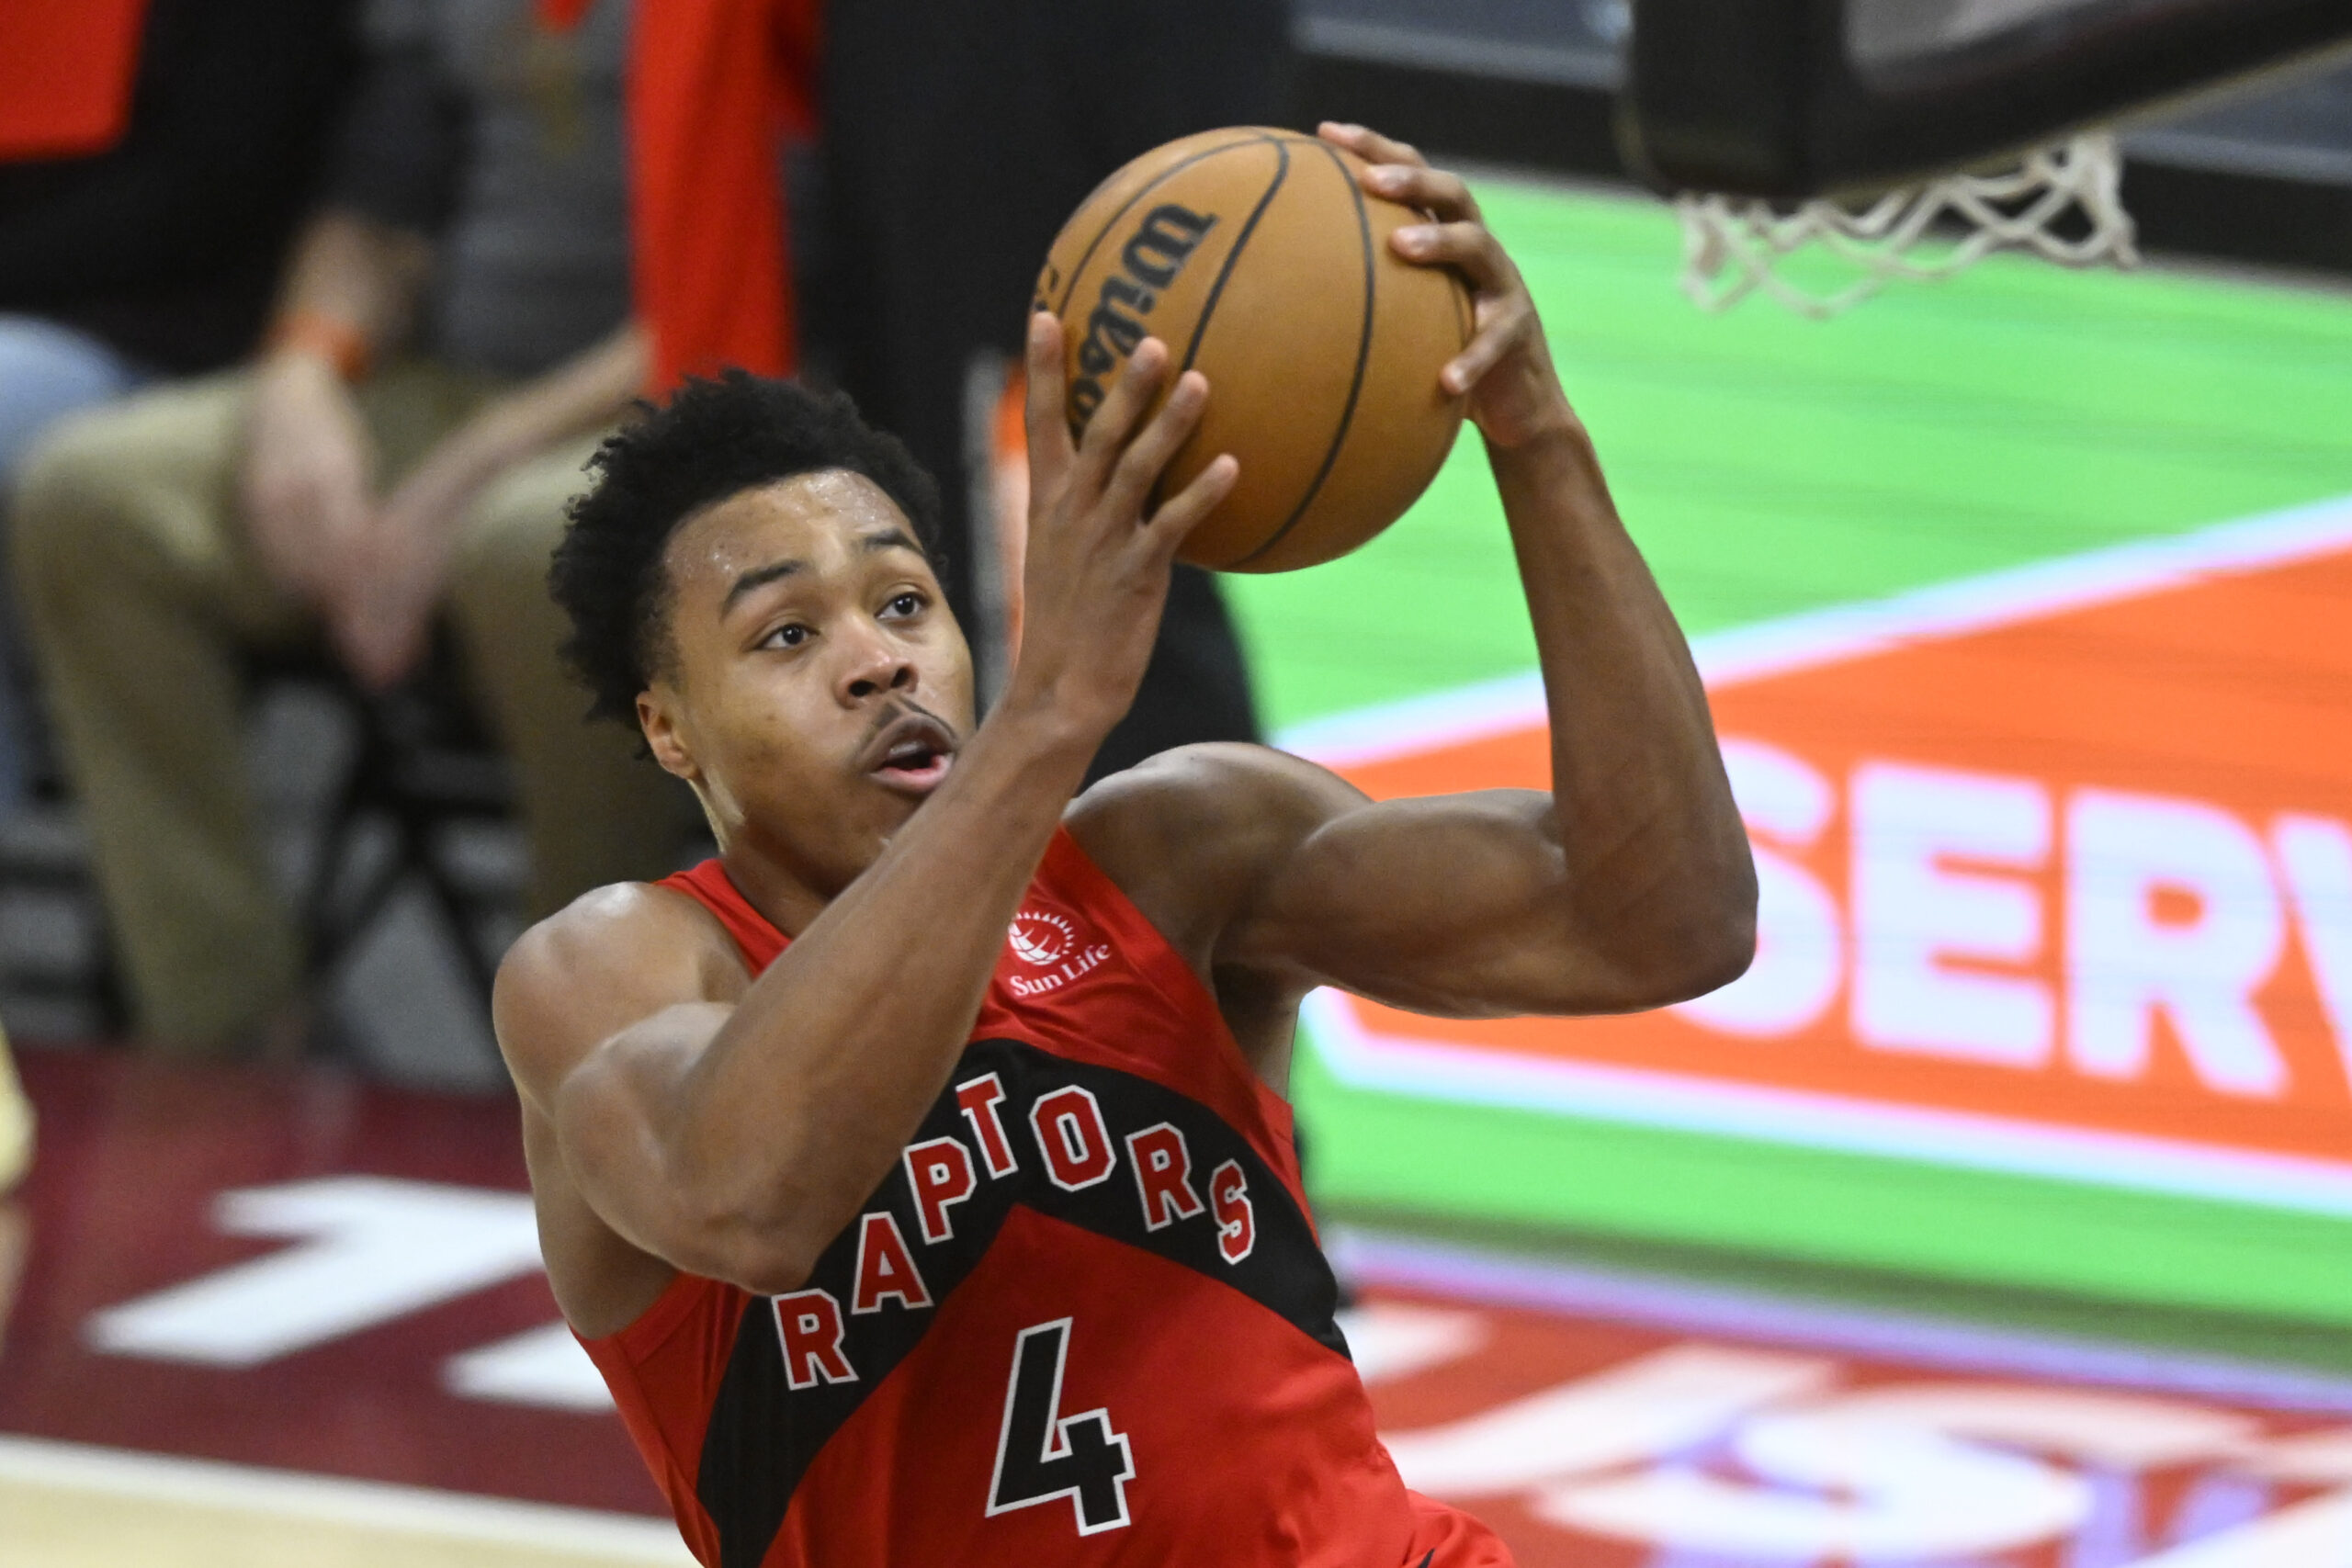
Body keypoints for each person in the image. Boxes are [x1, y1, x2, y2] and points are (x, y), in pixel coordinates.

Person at [497, 127, 1755, 1565]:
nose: (878, 661)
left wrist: (1539, 443)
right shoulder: (618, 969)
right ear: (669, 729)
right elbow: (752, 1197)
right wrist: (1045, 717)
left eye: (903, 603)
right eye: (788, 633)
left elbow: (1669, 921)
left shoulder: (1177, 854)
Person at [9, 0, 686, 1054]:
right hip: (449, 384)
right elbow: (378, 193)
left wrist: (469, 471)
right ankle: (228, 1033)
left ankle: (590, 1058)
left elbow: (760, 282)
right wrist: (302, 376)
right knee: (96, 499)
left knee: (542, 548)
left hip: (695, 394)